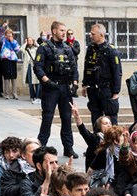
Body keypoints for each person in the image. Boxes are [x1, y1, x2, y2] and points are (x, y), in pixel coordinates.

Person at [35, 21, 79, 158]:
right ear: (53, 31)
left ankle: (68, 148)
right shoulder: (44, 48)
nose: (64, 33)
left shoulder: (68, 48)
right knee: (47, 118)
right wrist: (47, 81)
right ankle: (41, 147)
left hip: (65, 87)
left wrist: (75, 83)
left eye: (65, 30)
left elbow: (74, 68)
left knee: (67, 118)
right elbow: (38, 67)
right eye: (61, 30)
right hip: (50, 87)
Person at [82, 23, 123, 127]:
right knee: (95, 118)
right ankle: (97, 141)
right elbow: (87, 67)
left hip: (106, 89)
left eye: (93, 34)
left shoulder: (111, 51)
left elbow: (117, 73)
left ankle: (113, 141)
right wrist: (84, 84)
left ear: (101, 35)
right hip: (93, 89)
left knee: (111, 117)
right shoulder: (90, 48)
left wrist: (115, 92)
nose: (90, 36)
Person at [3, 28, 21, 99]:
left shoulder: (14, 41)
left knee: (13, 76)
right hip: (5, 60)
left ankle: (14, 93)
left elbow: (17, 49)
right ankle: (6, 94)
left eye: (10, 33)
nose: (9, 35)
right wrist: (3, 27)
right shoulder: (3, 40)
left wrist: (12, 41)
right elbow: (0, 35)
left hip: (12, 60)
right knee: (6, 76)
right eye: (7, 33)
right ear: (5, 35)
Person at [22, 37, 40, 103]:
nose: (30, 41)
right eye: (28, 40)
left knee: (37, 82)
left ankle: (38, 96)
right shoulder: (26, 49)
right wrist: (25, 43)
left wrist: (36, 43)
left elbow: (41, 49)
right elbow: (21, 49)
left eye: (31, 40)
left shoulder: (36, 48)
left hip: (35, 66)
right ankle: (32, 96)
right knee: (30, 83)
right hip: (29, 66)